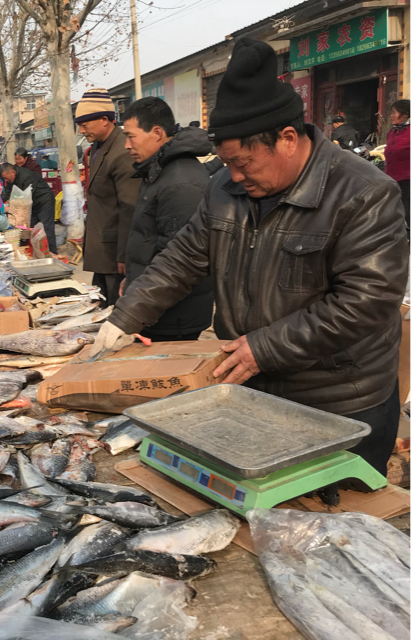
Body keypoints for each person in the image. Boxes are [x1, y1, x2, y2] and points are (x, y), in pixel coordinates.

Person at [90, 38, 408, 480]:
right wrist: (124, 317)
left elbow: (367, 301)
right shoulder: (226, 189)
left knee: (332, 527)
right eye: (226, 165)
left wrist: (264, 347)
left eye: (244, 164)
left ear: (289, 139)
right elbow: (182, 257)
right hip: (253, 389)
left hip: (337, 401)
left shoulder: (364, 193)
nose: (235, 177)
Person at [120, 98, 214, 342]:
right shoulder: (158, 170)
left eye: (131, 136)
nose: (126, 145)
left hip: (172, 316)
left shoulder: (181, 182)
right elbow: (149, 237)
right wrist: (131, 280)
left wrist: (135, 302)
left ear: (157, 133)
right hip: (153, 306)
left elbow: (178, 261)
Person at [76, 87, 141, 307]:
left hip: (114, 253)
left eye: (85, 125)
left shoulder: (122, 150)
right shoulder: (97, 147)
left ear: (105, 119)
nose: (82, 131)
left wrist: (123, 254)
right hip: (101, 249)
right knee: (99, 306)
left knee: (116, 308)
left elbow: (129, 206)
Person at [0, 162, 57, 251]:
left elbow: (25, 197)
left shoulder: (26, 176)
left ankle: (52, 253)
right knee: (29, 229)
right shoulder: (12, 179)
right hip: (32, 204)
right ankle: (33, 251)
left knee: (46, 228)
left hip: (44, 202)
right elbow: (7, 193)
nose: (6, 180)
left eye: (6, 177)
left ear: (12, 173)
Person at [385, 99, 410, 234]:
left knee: (407, 212)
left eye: (394, 113)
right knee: (392, 212)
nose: (391, 115)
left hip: (407, 179)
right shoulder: (392, 132)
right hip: (392, 179)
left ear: (405, 114)